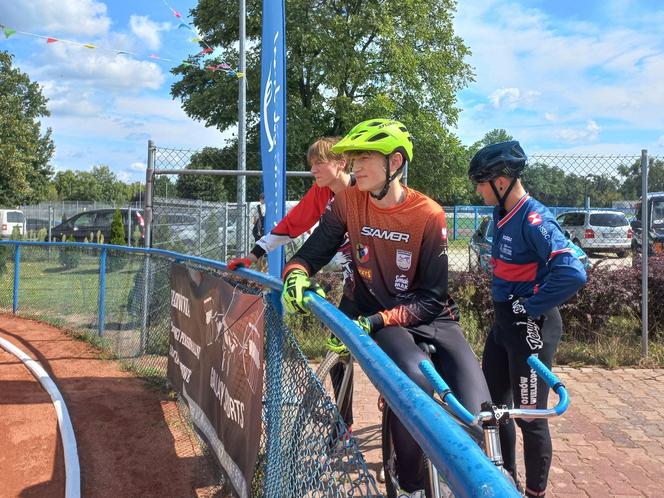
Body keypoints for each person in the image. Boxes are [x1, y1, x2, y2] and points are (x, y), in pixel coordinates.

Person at [281, 118, 491, 497]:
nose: (354, 166)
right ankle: (409, 485)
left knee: (482, 414)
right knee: (415, 384)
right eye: (352, 158)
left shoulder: (428, 213)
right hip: (381, 316)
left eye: (364, 158)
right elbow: (316, 248)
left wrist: (373, 320)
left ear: (394, 163)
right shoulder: (348, 199)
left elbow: (431, 298)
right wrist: (295, 271)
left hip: (429, 315)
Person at [468, 141, 587, 498]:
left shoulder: (534, 217)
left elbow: (573, 273)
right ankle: (507, 482)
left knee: (530, 419)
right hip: (505, 324)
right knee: (493, 409)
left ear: (501, 182)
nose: (477, 191)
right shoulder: (500, 214)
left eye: (480, 183)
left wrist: (530, 306)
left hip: (532, 328)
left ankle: (535, 493)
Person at [227, 136, 358, 429]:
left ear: (341, 163)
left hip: (385, 280)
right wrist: (252, 256)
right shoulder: (322, 193)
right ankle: (344, 422)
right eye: (311, 163)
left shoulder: (362, 190)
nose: (314, 169)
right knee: (339, 345)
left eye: (319, 162)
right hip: (354, 280)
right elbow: (292, 225)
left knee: (389, 356)